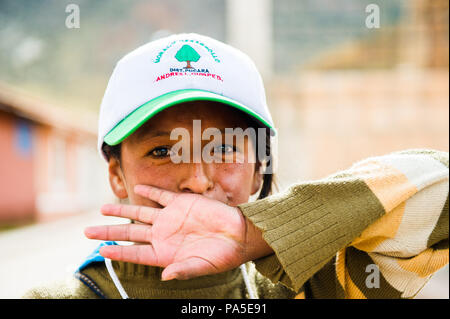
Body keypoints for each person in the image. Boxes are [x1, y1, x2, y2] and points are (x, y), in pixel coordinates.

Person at [26, 33, 449, 299]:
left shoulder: (319, 286)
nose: (197, 179)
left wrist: (260, 232)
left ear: (260, 168)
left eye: (225, 148)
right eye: (162, 150)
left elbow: (440, 191)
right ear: (116, 173)